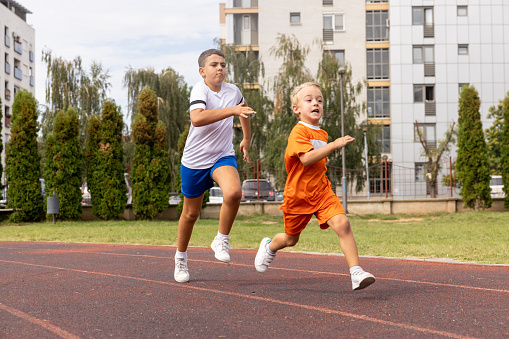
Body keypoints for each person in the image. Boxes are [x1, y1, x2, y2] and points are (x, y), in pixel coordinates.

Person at [254, 82, 375, 290]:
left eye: (319, 100)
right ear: (297, 109)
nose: (315, 103)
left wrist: (330, 145)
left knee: (343, 224)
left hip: (321, 191)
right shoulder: (298, 132)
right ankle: (270, 246)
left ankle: (356, 272)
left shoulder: (323, 134)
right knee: (291, 240)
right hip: (298, 196)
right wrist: (334, 145)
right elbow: (306, 159)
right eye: (309, 99)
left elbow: (319, 164)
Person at [174, 49, 256, 283]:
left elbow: (244, 112)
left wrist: (246, 139)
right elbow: (197, 118)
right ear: (202, 71)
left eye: (222, 64)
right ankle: (181, 257)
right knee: (190, 214)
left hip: (221, 156)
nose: (220, 68)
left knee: (234, 192)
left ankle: (221, 238)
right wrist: (232, 110)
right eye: (213, 65)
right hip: (195, 161)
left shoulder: (233, 91)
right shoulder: (200, 90)